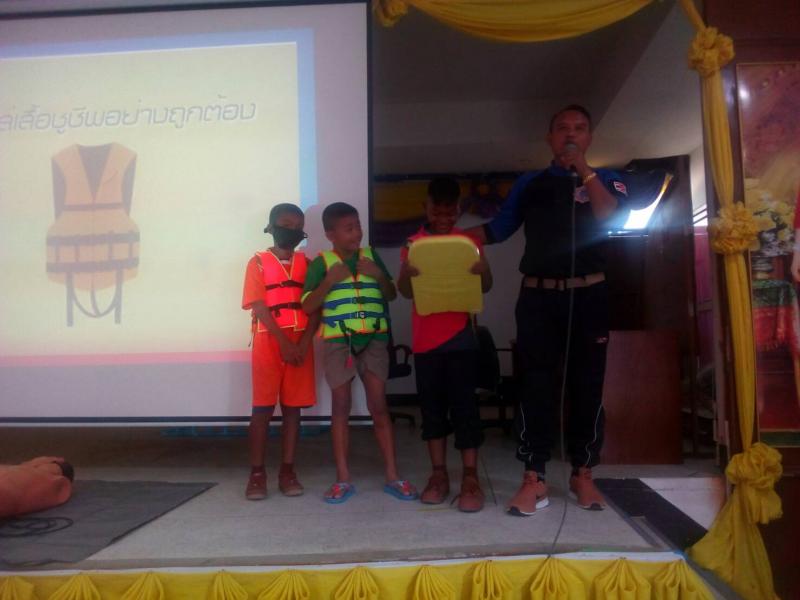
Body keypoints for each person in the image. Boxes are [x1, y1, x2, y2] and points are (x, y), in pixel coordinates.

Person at [468, 105, 628, 516]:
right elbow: (497, 229)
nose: (570, 135)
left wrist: (584, 171)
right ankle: (534, 476)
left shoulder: (609, 179)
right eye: (562, 129)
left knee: (587, 385)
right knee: (535, 385)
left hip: (589, 296)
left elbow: (608, 215)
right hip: (538, 298)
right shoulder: (530, 183)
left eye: (579, 129)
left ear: (589, 137)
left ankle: (583, 473)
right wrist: (444, 239)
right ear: (549, 137)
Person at [301, 202, 418, 503]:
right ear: (331, 234)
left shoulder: (371, 257)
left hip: (374, 339)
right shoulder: (322, 263)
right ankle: (343, 478)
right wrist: (329, 281)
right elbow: (308, 305)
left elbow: (390, 294)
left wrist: (378, 275)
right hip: (339, 342)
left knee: (378, 405)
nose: (357, 233)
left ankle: (393, 475)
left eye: (358, 226)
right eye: (349, 228)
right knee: (341, 406)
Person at [397, 177, 493, 512]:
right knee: (432, 411)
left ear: (458, 210)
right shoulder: (413, 244)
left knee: (466, 409)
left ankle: (470, 478)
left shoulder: (468, 242)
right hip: (426, 342)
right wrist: (405, 275)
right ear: (425, 208)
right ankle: (438, 475)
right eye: (436, 211)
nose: (443, 217)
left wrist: (484, 269)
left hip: (461, 338)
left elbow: (486, 285)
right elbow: (405, 293)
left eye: (450, 212)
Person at [241, 203, 319, 500]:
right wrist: (284, 343)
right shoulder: (257, 263)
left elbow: (316, 308)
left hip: (301, 344)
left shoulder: (308, 264)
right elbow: (258, 305)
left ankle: (287, 471)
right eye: (286, 225)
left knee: (292, 410)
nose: (292, 230)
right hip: (269, 341)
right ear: (271, 227)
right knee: (262, 409)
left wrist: (303, 343)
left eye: (298, 226)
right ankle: (257, 474)